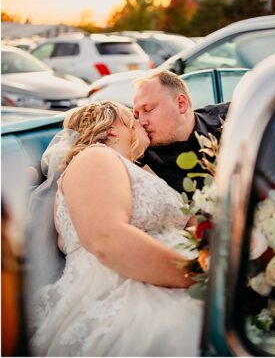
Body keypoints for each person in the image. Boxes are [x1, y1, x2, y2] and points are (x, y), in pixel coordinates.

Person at [29, 101, 202, 356]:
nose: (142, 121)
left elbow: (188, 223)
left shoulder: (136, 169)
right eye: (132, 117)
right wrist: (197, 275)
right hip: (128, 291)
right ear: (112, 129)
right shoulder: (95, 157)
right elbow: (107, 240)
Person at [132, 70, 230, 194]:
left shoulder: (231, 118)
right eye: (136, 115)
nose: (141, 121)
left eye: (148, 109)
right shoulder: (140, 158)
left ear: (181, 104)